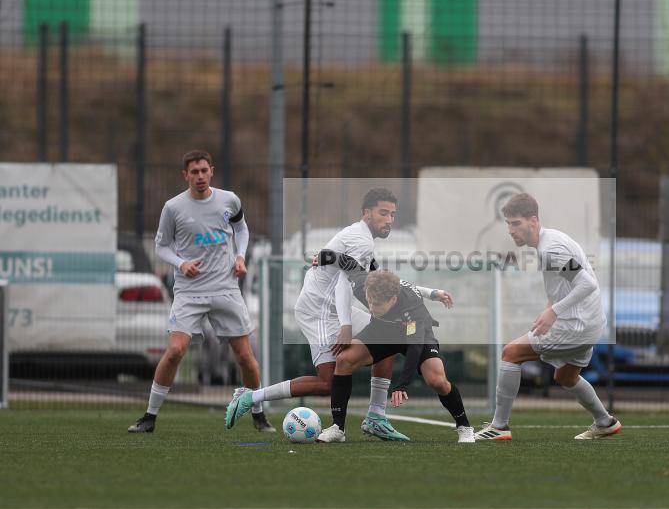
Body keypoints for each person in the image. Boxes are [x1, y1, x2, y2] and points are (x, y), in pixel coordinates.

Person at [225, 189, 450, 441]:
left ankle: (376, 416)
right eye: (383, 213)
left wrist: (430, 293)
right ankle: (250, 396)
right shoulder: (360, 240)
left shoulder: (364, 239)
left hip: (334, 308)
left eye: (393, 215)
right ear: (366, 214)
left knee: (386, 339)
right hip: (320, 310)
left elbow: (384, 283)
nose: (389, 220)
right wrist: (345, 325)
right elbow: (344, 281)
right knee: (328, 383)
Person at [129, 150, 274, 433]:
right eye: (193, 172)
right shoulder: (173, 207)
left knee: (245, 356)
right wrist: (181, 263)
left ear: (212, 172)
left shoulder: (229, 200)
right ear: (185, 175)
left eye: (204, 171)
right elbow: (161, 246)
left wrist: (240, 257)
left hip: (225, 288)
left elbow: (242, 231)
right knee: (175, 351)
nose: (199, 177)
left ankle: (258, 414)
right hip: (189, 291)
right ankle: (149, 416)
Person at [474, 193, 621, 441]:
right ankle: (605, 422)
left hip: (576, 325)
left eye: (516, 223)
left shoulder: (550, 248)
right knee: (566, 377)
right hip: (591, 323)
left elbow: (587, 284)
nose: (510, 230)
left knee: (511, 353)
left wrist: (554, 312)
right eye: (508, 224)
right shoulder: (550, 241)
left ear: (533, 220)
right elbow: (564, 285)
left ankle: (499, 427)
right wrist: (549, 308)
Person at [315, 269, 473, 443]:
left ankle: (464, 426)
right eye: (370, 302)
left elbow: (414, 347)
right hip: (381, 331)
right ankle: (338, 428)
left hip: (414, 336)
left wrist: (402, 385)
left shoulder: (412, 308)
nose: (372, 308)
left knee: (437, 381)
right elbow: (347, 262)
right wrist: (324, 256)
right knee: (344, 360)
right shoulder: (364, 284)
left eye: (377, 305)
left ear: (393, 300)